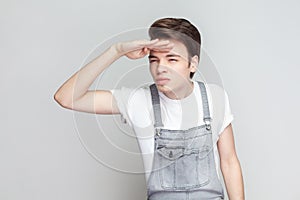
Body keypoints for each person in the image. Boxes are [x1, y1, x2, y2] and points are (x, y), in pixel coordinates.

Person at [54, 17, 244, 200]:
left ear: (192, 63)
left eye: (172, 59)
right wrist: (116, 50)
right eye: (154, 60)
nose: (161, 68)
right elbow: (66, 98)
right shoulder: (139, 100)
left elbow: (229, 162)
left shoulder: (215, 97)